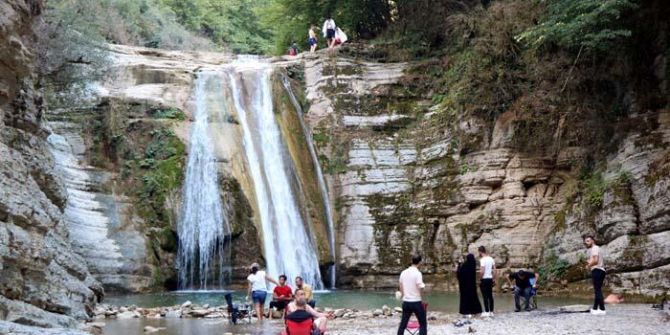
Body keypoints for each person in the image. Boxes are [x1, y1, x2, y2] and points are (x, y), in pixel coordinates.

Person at [396, 254, 427, 335]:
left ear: (411, 261)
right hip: (416, 302)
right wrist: (424, 287)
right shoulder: (418, 273)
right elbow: (420, 286)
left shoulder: (403, 272)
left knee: (403, 324)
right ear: (419, 262)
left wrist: (403, 295)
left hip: (406, 302)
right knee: (423, 324)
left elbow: (400, 286)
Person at [585, 235, 606, 315]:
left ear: (592, 241)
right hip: (601, 270)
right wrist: (589, 262)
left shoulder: (594, 248)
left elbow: (596, 261)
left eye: (588, 241)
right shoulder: (597, 249)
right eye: (586, 241)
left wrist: (588, 266)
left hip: (597, 270)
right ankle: (595, 308)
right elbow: (594, 259)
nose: (586, 243)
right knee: (598, 290)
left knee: (597, 290)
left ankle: (602, 309)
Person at [478, 246, 496, 317]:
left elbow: (482, 271)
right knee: (490, 296)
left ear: (480, 252)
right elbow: (495, 270)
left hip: (484, 279)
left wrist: (480, 279)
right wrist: (494, 279)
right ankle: (491, 312)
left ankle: (486, 311)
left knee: (485, 296)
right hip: (490, 279)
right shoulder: (491, 259)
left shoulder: (482, 260)